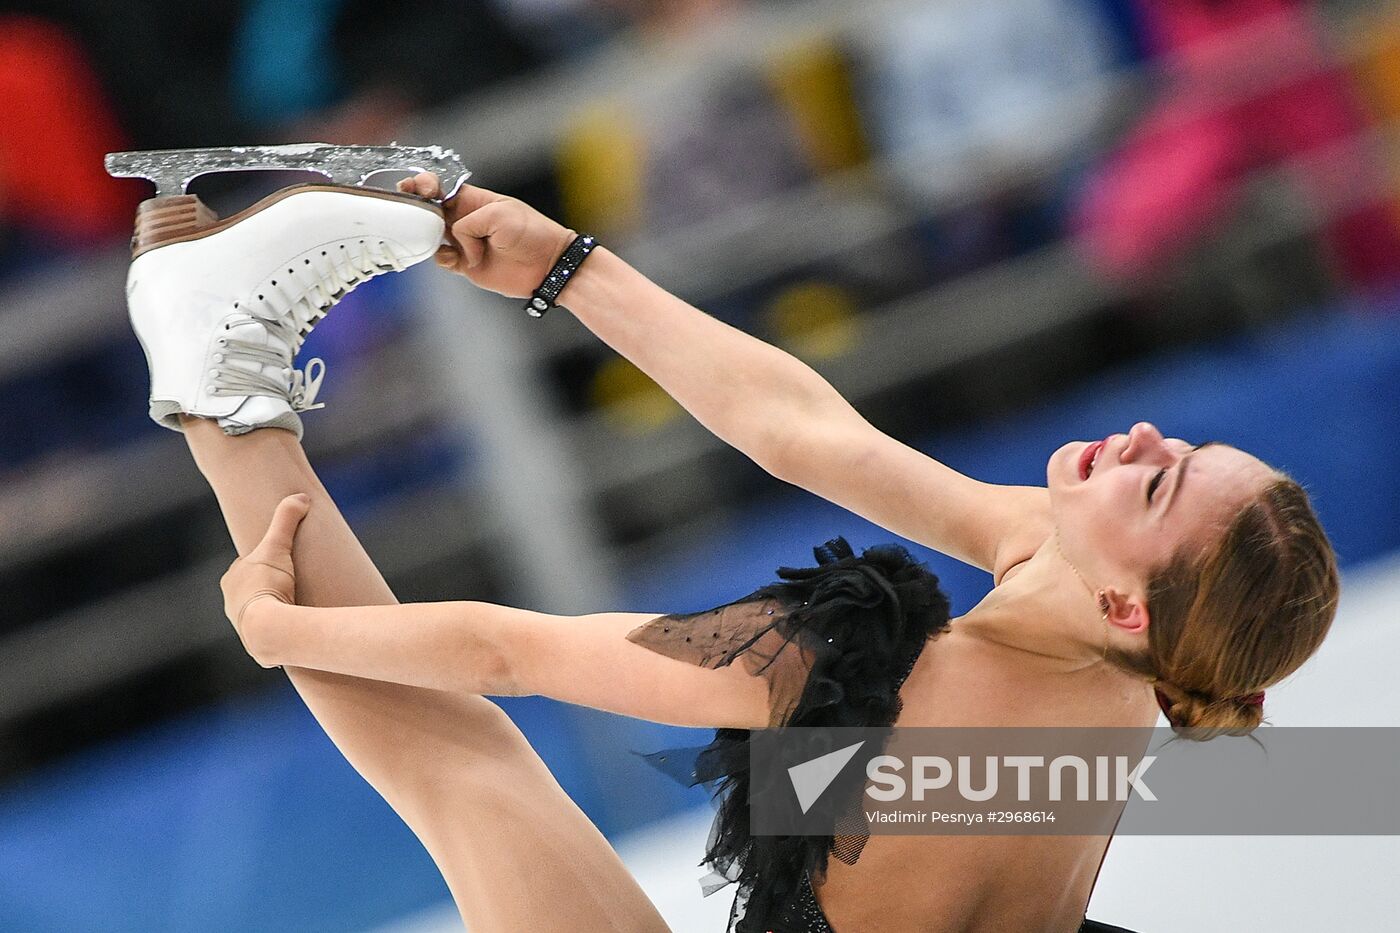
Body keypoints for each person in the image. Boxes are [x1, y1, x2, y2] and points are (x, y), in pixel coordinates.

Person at [126, 172, 1339, 932]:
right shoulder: (1138, 651)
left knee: (464, 763)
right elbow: (803, 433)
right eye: (1175, 441)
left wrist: (283, 630)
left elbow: (508, 650)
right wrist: (564, 268)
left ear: (1130, 604)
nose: (1136, 435)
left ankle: (214, 373)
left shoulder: (880, 679)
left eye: (1159, 480)